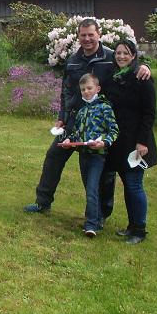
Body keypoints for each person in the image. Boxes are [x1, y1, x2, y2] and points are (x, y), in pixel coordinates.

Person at [24, 18, 150, 215]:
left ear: (99, 34)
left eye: (91, 34)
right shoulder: (73, 60)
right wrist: (62, 117)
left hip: (99, 125)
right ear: (78, 36)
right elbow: (66, 92)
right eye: (83, 35)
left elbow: (130, 66)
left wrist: (145, 66)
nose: (87, 39)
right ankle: (43, 202)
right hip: (73, 122)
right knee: (53, 157)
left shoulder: (111, 57)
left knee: (104, 170)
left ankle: (102, 212)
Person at [105, 39, 157, 244]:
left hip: (137, 141)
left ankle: (140, 230)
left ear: (133, 55)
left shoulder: (142, 78)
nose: (121, 56)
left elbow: (149, 113)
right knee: (127, 183)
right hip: (120, 141)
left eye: (126, 53)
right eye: (118, 53)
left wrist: (142, 142)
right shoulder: (114, 77)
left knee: (134, 184)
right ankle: (132, 226)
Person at [58, 73, 119, 237]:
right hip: (83, 155)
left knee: (92, 188)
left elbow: (114, 130)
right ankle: (96, 219)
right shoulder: (82, 111)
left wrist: (104, 142)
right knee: (90, 189)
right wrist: (69, 140)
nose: (86, 92)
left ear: (97, 89)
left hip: (97, 156)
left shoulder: (105, 108)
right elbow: (77, 133)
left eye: (89, 88)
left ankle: (91, 225)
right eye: (83, 89)